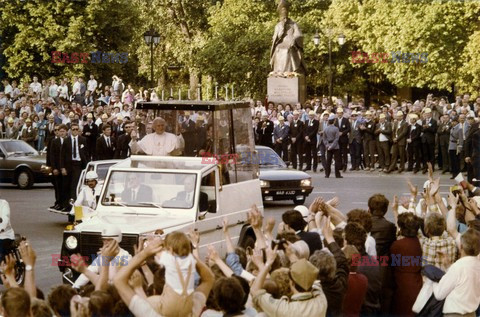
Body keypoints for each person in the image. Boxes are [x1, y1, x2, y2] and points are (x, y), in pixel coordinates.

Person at [433, 229, 480, 316]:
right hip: (472, 314)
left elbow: (439, 294)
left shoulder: (458, 266)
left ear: (461, 246)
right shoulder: (477, 265)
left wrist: (432, 281)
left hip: (454, 314)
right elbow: (463, 281)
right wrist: (448, 267)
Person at [72, 225, 132, 289]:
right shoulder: (101, 257)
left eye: (109, 240)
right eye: (104, 240)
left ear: (117, 240)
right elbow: (89, 272)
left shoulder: (126, 257)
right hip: (103, 293)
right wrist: (75, 287)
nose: (105, 243)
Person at [270, 0, 306, 75]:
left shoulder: (293, 24)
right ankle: (279, 71)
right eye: (283, 13)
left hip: (291, 43)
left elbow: (299, 35)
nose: (284, 13)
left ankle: (290, 71)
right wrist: (281, 31)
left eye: (286, 12)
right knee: (278, 49)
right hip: (281, 44)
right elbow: (275, 38)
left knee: (288, 49)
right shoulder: (278, 26)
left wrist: (294, 40)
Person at [60, 123, 89, 203]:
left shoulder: (83, 139)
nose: (75, 131)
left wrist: (87, 165)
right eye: (74, 129)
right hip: (69, 164)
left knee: (75, 183)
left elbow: (86, 153)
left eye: (77, 129)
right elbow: (62, 155)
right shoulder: (66, 140)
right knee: (67, 184)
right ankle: (66, 203)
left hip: (78, 164)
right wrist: (62, 168)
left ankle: (74, 200)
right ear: (70, 130)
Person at [323, 114, 342, 178]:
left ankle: (327, 174)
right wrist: (332, 146)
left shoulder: (325, 129)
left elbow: (324, 139)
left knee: (328, 160)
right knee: (336, 160)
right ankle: (337, 174)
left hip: (328, 145)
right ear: (334, 121)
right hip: (335, 146)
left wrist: (327, 145)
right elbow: (337, 139)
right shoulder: (336, 129)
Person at [334, 108, 351, 172]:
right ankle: (339, 165)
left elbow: (348, 129)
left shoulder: (346, 120)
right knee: (338, 153)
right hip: (337, 139)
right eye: (338, 113)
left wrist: (342, 133)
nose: (339, 114)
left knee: (344, 153)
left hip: (344, 138)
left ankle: (345, 165)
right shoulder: (335, 120)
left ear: (342, 113)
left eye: (340, 113)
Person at [421, 108, 437, 173]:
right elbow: (422, 130)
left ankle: (431, 167)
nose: (427, 115)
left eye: (428, 114)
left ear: (430, 114)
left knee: (431, 154)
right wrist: (425, 128)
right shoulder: (423, 121)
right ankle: (425, 167)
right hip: (424, 140)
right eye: (426, 114)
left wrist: (428, 127)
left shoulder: (434, 121)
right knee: (425, 154)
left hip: (430, 139)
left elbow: (434, 130)